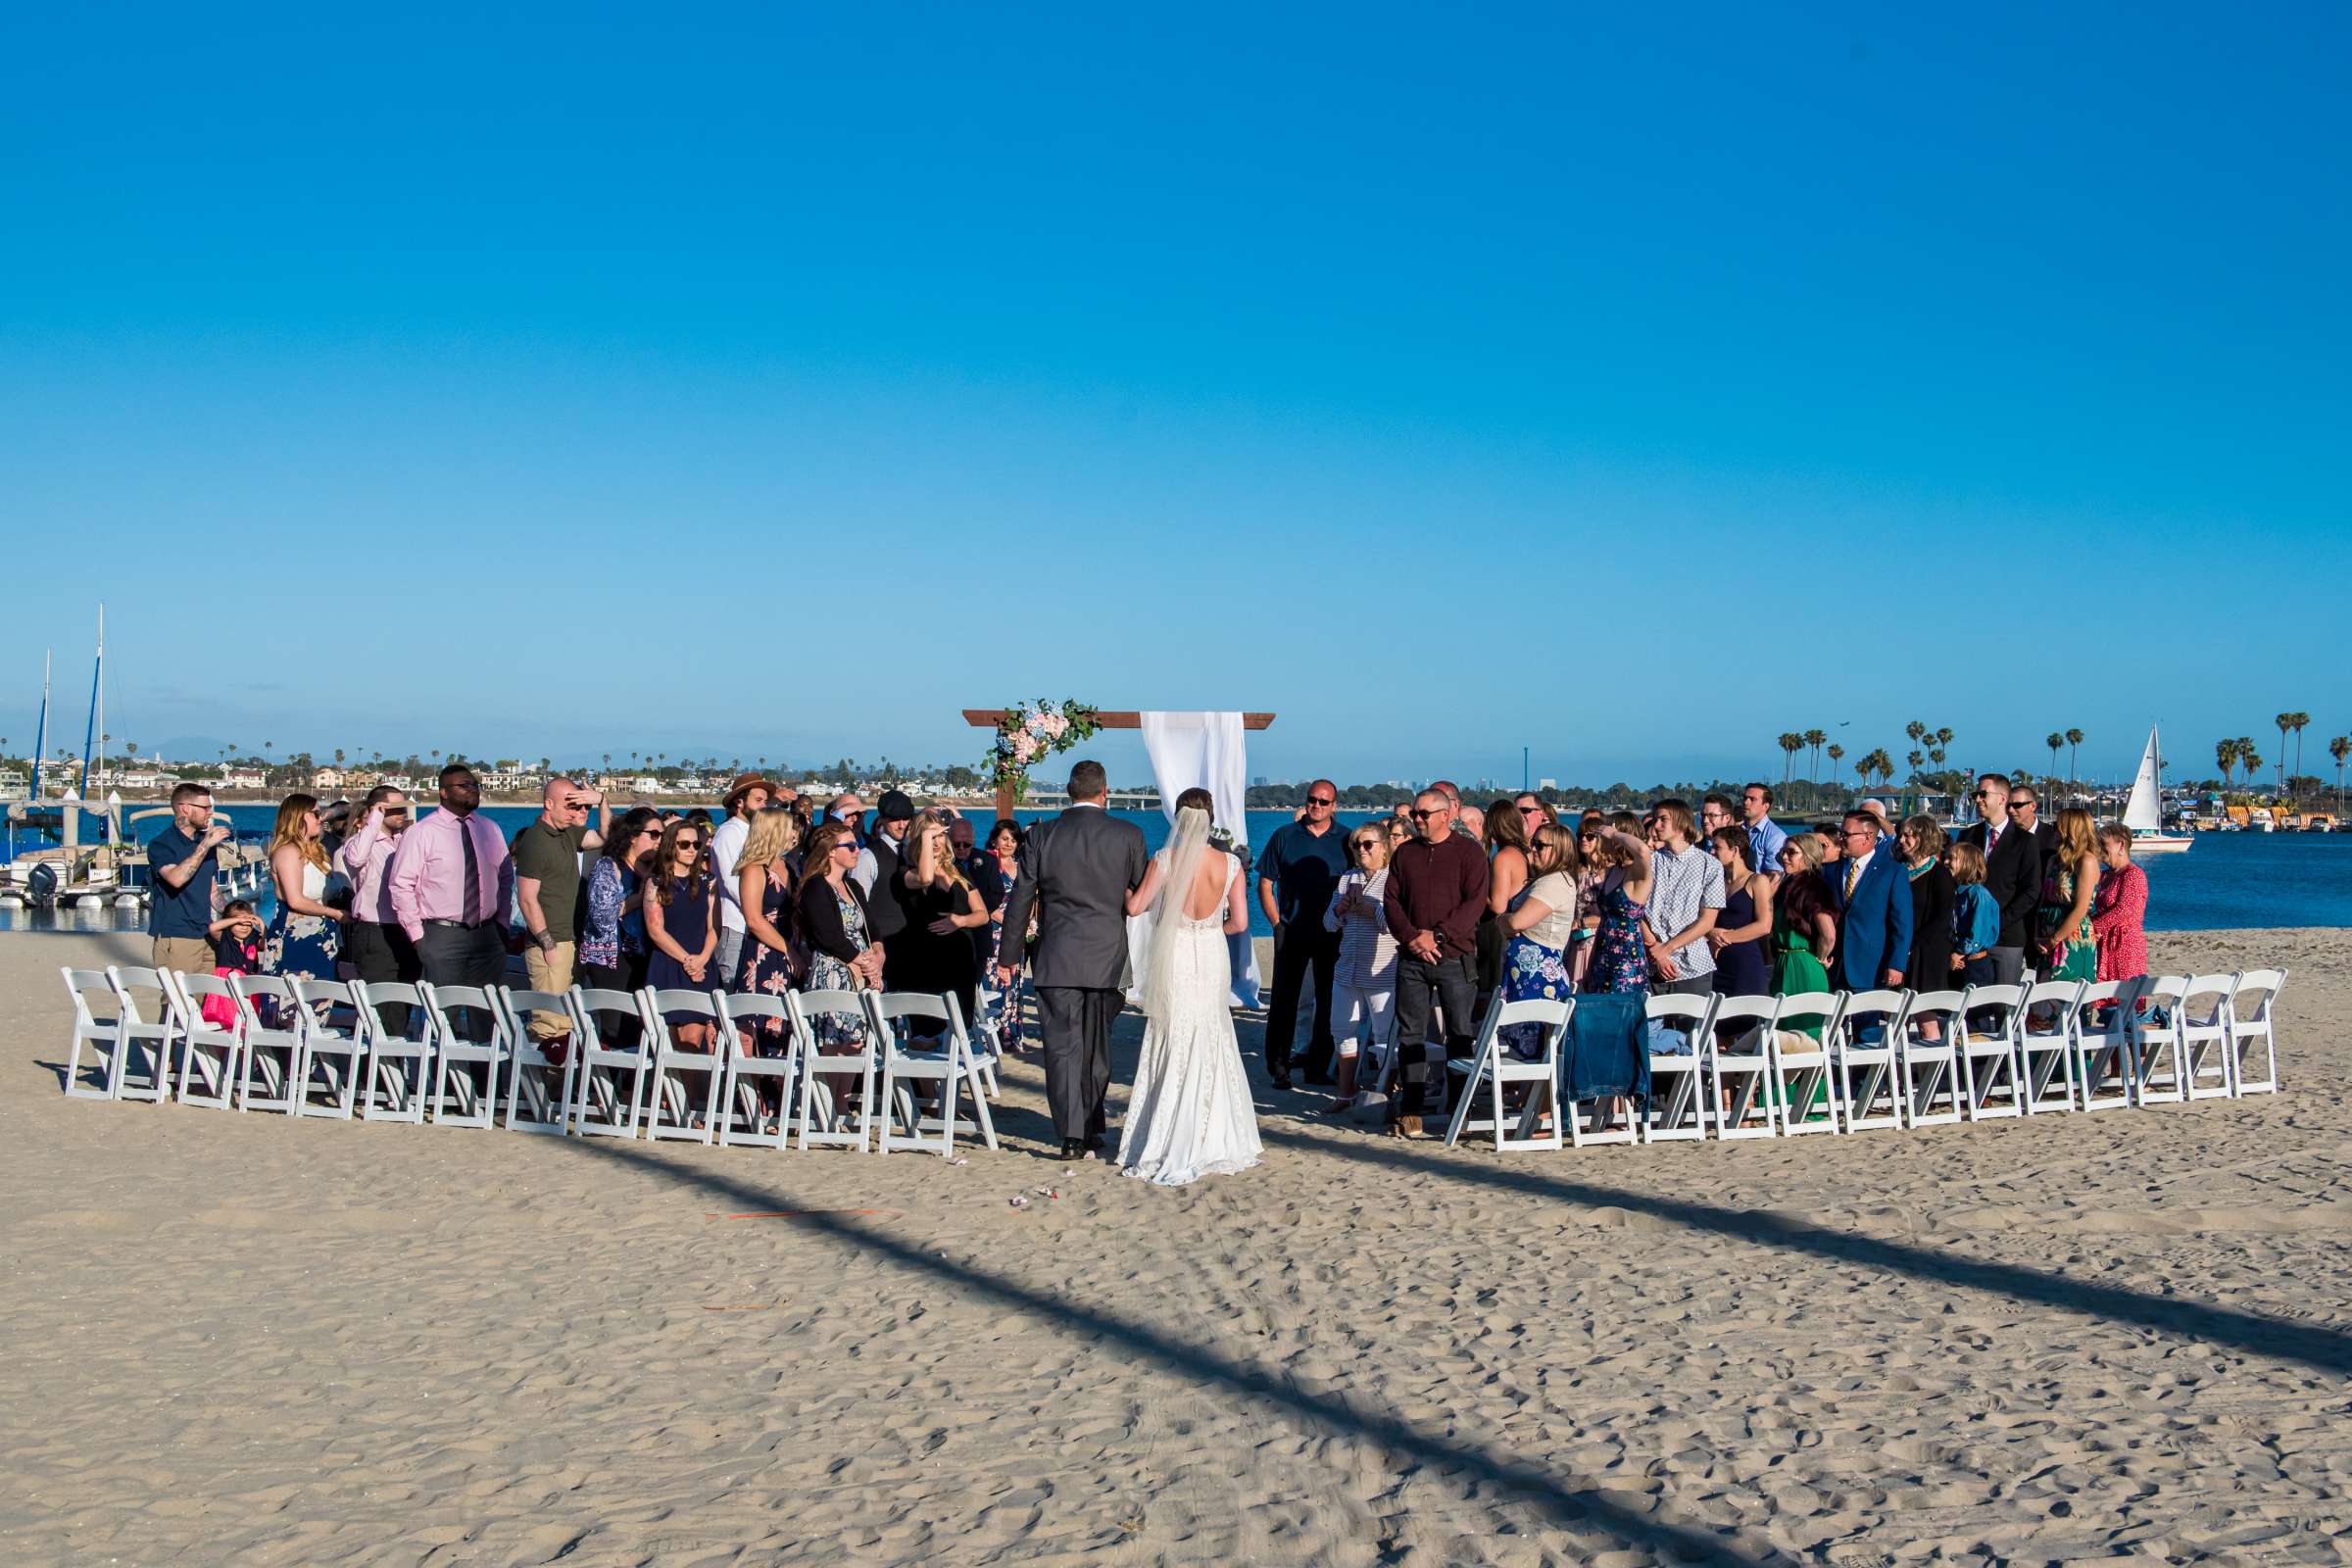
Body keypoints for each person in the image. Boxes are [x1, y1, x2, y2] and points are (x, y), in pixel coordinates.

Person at [997, 760, 1150, 1161]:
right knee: (1097, 1047)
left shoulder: (1042, 836)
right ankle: (1089, 1124)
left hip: (1057, 957)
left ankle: (1071, 1134)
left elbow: (1021, 899)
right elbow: (1140, 893)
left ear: (1068, 791)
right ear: (1105, 792)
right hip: (1107, 957)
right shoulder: (1128, 835)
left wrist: (1008, 954)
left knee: (1062, 1047)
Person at [1116, 790, 1261, 1185]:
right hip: (1211, 952)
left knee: (1173, 1030)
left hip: (1177, 949)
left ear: (1178, 819)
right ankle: (1213, 1133)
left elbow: (1135, 908)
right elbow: (1242, 923)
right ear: (1211, 818)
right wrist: (1211, 929)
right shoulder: (1230, 863)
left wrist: (1124, 890)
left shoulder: (1166, 860)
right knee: (1211, 1030)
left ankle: (1167, 1134)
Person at [1380, 789, 1489, 1139]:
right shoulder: (1406, 854)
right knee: (1410, 1035)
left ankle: (1460, 1107)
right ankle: (1411, 1108)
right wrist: (1413, 937)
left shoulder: (1469, 852)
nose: (1418, 819)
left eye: (1425, 814)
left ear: (1446, 815)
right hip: (1412, 957)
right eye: (1415, 814)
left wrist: (1438, 937)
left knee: (1459, 1034)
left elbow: (1474, 904)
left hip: (1454, 956)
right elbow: (1391, 901)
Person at [388, 763, 514, 1039]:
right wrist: (418, 936)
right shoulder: (423, 832)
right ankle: (441, 1080)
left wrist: (503, 923)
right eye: (464, 785)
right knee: (444, 1018)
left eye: (475, 785)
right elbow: (401, 885)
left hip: (487, 935)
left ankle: (484, 1080)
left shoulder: (490, 829)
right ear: (443, 792)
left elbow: (505, 878)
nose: (472, 790)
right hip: (442, 935)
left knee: (488, 1017)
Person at [1255, 778, 1349, 1091]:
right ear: (1306, 800)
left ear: (1334, 805)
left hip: (1331, 933)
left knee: (1328, 1001)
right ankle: (1279, 1066)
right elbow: (1266, 883)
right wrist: (1276, 923)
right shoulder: (1285, 836)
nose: (1317, 806)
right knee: (1284, 1000)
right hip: (1292, 930)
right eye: (1312, 800)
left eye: (1324, 802)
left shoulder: (1347, 839)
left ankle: (1317, 1068)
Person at [510, 776, 611, 1054]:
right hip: (552, 942)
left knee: (567, 1023)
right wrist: (547, 943)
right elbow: (527, 899)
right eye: (569, 805)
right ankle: (540, 1091)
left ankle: (560, 1089)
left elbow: (604, 837)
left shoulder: (568, 833)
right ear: (548, 803)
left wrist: (601, 801)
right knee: (548, 1024)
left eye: (578, 805)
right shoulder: (535, 841)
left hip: (572, 939)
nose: (575, 811)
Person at [797, 821, 885, 1097]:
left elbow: (871, 926)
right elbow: (827, 935)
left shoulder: (854, 887)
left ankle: (841, 1101)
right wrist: (863, 961)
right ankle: (824, 1102)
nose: (856, 850)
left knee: (856, 1041)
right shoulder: (816, 887)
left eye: (856, 844)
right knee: (834, 1041)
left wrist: (878, 955)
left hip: (863, 967)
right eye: (849, 846)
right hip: (834, 968)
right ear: (831, 852)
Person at [1320, 820, 1397, 1114]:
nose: (1361, 850)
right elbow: (1328, 925)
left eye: (1368, 844)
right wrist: (1340, 909)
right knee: (1341, 1029)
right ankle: (1346, 1091)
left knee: (1382, 1034)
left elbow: (1396, 926)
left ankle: (1384, 1092)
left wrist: (1373, 910)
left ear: (1384, 848)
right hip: (1347, 967)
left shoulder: (1393, 880)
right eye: (1356, 845)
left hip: (1380, 970)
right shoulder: (1346, 879)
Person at [730, 806, 803, 1089]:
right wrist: (788, 949)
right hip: (764, 954)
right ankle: (755, 1099)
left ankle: (779, 1096)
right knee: (759, 1024)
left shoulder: (789, 866)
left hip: (791, 949)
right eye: (788, 828)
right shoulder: (753, 869)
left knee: (785, 1026)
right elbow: (754, 919)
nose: (794, 834)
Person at [1497, 821, 1582, 1056]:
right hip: (1524, 976)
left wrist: (1501, 921)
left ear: (1560, 850)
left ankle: (1533, 1093)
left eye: (1540, 845)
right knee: (1523, 1048)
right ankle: (1525, 1094)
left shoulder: (1555, 882)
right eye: (1532, 843)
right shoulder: (1545, 880)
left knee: (1533, 1045)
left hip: (1538, 979)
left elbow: (1517, 922)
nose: (1532, 849)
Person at [899, 812, 989, 1030]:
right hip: (927, 960)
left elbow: (982, 914)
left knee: (960, 1028)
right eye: (930, 836)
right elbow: (926, 878)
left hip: (962, 959)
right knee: (927, 1031)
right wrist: (927, 837)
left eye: (940, 836)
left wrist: (960, 920)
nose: (937, 842)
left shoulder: (958, 871)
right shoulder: (906, 872)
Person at [579, 808, 661, 1047]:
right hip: (612, 957)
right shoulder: (609, 867)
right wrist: (643, 894)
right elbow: (602, 915)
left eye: (663, 835)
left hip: (644, 955)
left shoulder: (655, 870)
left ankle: (630, 1083)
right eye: (653, 834)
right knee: (615, 1029)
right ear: (633, 836)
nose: (660, 841)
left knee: (641, 1027)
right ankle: (605, 1081)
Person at [337, 785, 420, 1004]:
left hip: (405, 929)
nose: (402, 812)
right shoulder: (360, 843)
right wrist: (375, 819)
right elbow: (355, 859)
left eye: (404, 807)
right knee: (381, 1004)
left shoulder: (403, 841)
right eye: (396, 808)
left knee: (404, 1001)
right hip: (375, 931)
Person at [1955, 774, 2040, 985]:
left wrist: (1996, 922)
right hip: (1969, 939)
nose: (1977, 799)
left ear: (2002, 798)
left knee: (2002, 1005)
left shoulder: (2025, 841)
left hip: (2006, 937)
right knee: (1972, 1006)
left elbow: (2030, 890)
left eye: (1983, 794)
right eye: (1976, 795)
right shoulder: (1967, 837)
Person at [642, 819, 717, 1048]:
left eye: (696, 844)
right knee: (668, 1043)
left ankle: (694, 1085)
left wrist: (701, 959)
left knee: (693, 1040)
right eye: (684, 844)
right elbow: (656, 931)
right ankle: (669, 1085)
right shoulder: (655, 883)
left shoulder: (708, 882)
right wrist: (687, 961)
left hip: (702, 964)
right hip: (669, 963)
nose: (692, 849)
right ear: (671, 846)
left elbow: (715, 927)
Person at [146, 781, 230, 974]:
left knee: (207, 1002)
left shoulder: (204, 843)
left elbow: (212, 892)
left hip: (207, 934)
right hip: (177, 936)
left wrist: (236, 917)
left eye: (210, 807)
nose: (210, 812)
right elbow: (176, 879)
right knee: (178, 1000)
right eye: (205, 807)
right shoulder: (162, 845)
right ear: (184, 808)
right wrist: (205, 846)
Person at [265, 793, 348, 989]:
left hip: (320, 933)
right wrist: (335, 914)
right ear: (298, 816)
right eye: (316, 814)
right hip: (296, 934)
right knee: (295, 1004)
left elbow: (346, 808)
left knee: (320, 999)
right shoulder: (288, 852)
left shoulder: (316, 851)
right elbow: (295, 900)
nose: (321, 819)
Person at [1642, 800, 1724, 998]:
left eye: (1663, 820)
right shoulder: (1648, 861)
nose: (1657, 826)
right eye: (1656, 820)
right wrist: (1655, 949)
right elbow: (1636, 910)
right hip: (1651, 962)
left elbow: (1707, 920)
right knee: (1650, 1027)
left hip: (1693, 965)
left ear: (1680, 822)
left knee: (1691, 1027)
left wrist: (1668, 948)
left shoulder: (1710, 865)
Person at [1823, 810, 1911, 992]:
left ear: (1868, 837)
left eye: (1846, 834)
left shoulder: (1892, 872)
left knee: (1867, 1020)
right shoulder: (1831, 870)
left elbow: (1902, 923)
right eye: (1841, 833)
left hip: (1871, 966)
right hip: (1834, 965)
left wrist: (1897, 964)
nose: (1841, 838)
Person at [708, 772, 777, 990]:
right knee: (731, 989)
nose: (763, 806)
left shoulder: (751, 833)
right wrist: (760, 909)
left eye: (765, 801)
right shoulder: (729, 833)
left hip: (750, 924)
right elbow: (731, 881)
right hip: (735, 925)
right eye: (758, 800)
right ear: (740, 802)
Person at [853, 790, 917, 986]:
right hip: (882, 950)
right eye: (895, 819)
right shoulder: (867, 857)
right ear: (882, 820)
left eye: (906, 819)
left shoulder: (916, 853)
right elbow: (858, 907)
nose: (902, 825)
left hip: (914, 947)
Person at [1583, 822, 1656, 995]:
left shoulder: (1637, 872)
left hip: (1626, 958)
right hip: (1603, 955)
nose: (1601, 840)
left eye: (1604, 834)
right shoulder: (1611, 870)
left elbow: (1642, 850)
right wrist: (1589, 967)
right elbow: (1605, 924)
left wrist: (1615, 834)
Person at [1703, 826, 1773, 999]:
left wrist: (1724, 938)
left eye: (1717, 847)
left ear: (1735, 850)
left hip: (1745, 962)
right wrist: (1710, 932)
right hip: (1716, 962)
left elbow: (1764, 926)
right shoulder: (1714, 881)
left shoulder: (1757, 881)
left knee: (1745, 1019)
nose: (1712, 852)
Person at [1769, 835, 1838, 1009]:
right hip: (1783, 963)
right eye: (1783, 852)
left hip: (1804, 965)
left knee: (1803, 1030)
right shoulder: (1787, 884)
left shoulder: (1813, 886)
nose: (1784, 857)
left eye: (1791, 853)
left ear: (1808, 856)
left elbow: (1828, 935)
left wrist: (1820, 958)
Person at [1479, 800, 1535, 1010]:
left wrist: (1477, 890)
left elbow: (1498, 905)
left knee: (1492, 991)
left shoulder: (1503, 857)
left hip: (1499, 931)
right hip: (1521, 929)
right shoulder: (1527, 853)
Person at [2038, 807, 2101, 983]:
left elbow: (2081, 908)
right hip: (2047, 930)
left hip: (2071, 933)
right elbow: (2044, 899)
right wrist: (2038, 933)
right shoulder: (2055, 860)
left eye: (2057, 825)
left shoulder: (2086, 861)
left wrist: (2055, 938)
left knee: (2066, 995)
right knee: (2043, 997)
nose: (2054, 829)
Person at [1897, 814, 1956, 1004]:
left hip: (1928, 952)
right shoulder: (1897, 871)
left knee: (1925, 1015)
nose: (1901, 840)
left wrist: (1912, 943)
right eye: (1901, 835)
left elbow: (1942, 917)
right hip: (1899, 950)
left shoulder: (1940, 874)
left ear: (1922, 838)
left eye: (1907, 836)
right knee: (1894, 1013)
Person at [2089, 823, 2148, 982]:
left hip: (2124, 946)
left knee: (2122, 1000)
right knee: (2100, 997)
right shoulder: (2103, 875)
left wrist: (2089, 926)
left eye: (2103, 844)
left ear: (2121, 845)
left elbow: (2124, 910)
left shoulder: (2133, 875)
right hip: (2102, 944)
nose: (2100, 848)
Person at [2009, 784, 2057, 971]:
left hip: (2040, 921)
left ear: (2033, 806)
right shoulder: (2005, 836)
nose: (2012, 810)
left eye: (2018, 805)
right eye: (2009, 806)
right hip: (2012, 920)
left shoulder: (2052, 837)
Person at [1949, 842, 2000, 986]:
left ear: (1967, 863)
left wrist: (1959, 953)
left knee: (1976, 1007)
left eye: (1952, 858)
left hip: (1975, 964)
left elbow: (1978, 932)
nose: (1946, 862)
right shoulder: (1957, 892)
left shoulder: (1979, 894)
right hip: (1959, 960)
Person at [1741, 783, 1789, 875]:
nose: (1745, 802)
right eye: (1745, 798)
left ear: (1765, 806)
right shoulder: (1736, 830)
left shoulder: (1775, 837)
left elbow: (1774, 878)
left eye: (1752, 799)